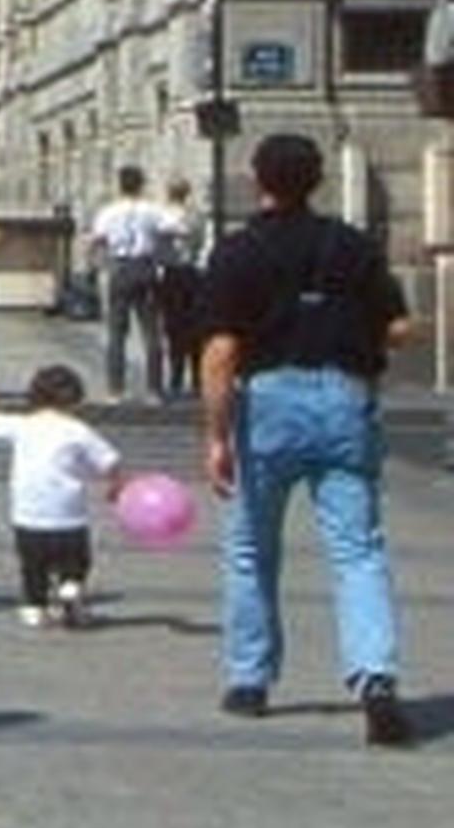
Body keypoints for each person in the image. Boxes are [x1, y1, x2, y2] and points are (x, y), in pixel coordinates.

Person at [194, 132, 413, 744]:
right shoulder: (351, 244)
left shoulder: (237, 251)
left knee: (250, 548)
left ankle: (249, 679)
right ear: (317, 180)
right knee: (358, 550)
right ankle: (376, 677)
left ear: (258, 179)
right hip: (344, 396)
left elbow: (221, 350)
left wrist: (216, 435)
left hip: (267, 400)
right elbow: (397, 325)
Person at [0, 361, 121, 630]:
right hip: (69, 515)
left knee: (32, 565)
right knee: (76, 559)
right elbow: (110, 461)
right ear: (75, 398)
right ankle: (71, 586)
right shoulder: (78, 430)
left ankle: (34, 607)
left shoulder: (21, 425)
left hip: (28, 515)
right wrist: (115, 486)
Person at [87, 164, 177, 401]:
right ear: (142, 184)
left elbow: (97, 240)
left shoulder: (108, 211)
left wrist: (100, 265)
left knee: (116, 332)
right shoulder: (152, 210)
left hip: (120, 267)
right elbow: (175, 229)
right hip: (145, 267)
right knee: (151, 331)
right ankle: (154, 390)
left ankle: (115, 389)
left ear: (120, 185)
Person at [149, 178, 207, 401]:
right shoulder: (196, 216)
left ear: (168, 192)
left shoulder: (160, 215)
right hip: (191, 273)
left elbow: (156, 243)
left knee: (173, 328)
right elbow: (200, 241)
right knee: (194, 327)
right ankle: (196, 379)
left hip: (170, 274)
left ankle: (175, 378)